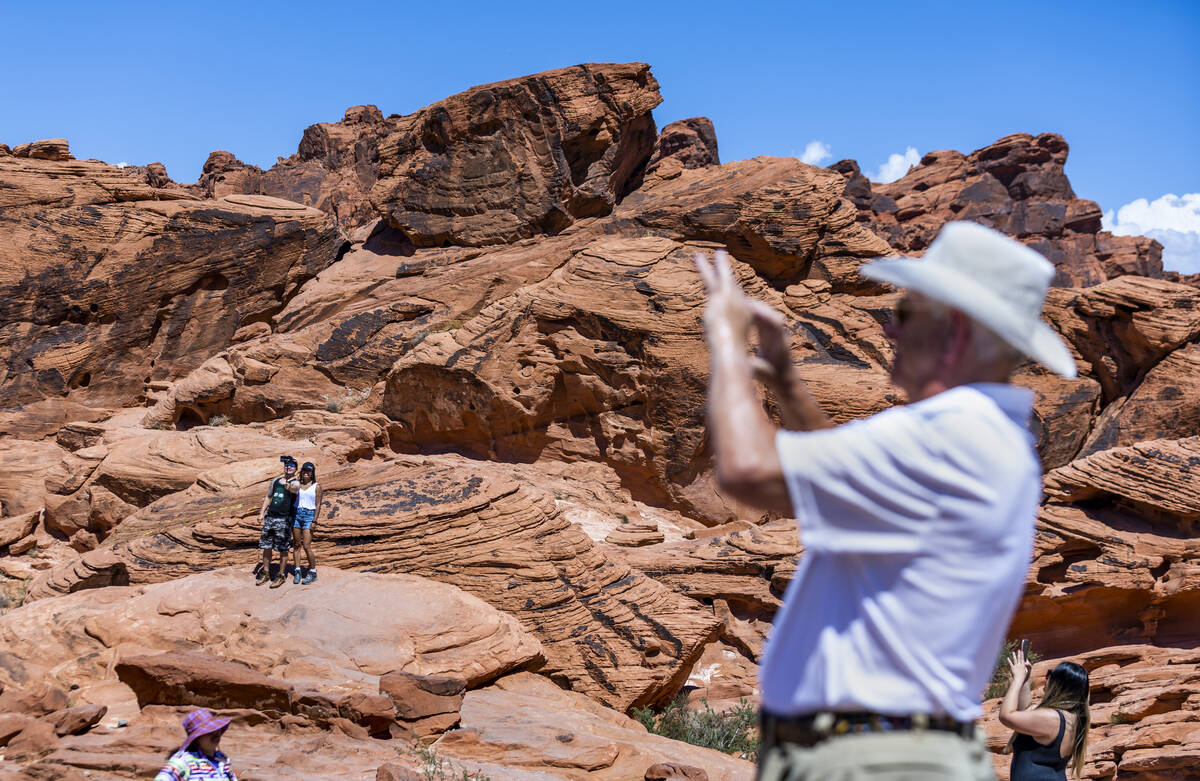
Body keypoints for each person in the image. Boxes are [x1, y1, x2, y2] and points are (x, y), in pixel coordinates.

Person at [694, 221, 1078, 780]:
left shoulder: (952, 434)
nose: (889, 333)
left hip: (873, 757)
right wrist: (786, 383)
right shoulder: (987, 440)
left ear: (957, 331)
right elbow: (833, 476)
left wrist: (726, 343)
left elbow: (748, 470)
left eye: (903, 315)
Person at [1000, 648, 1091, 779]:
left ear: (1059, 684)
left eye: (1050, 674)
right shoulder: (1072, 719)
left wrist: (1017, 679)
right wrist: (1025, 678)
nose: (1046, 677)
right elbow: (1026, 711)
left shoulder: (1052, 718)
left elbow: (1006, 716)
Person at [154, 708, 239, 780]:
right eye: (209, 731)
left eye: (216, 729)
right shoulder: (184, 761)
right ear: (196, 738)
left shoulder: (222, 760)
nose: (215, 734)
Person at [256, 455, 299, 588]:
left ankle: (281, 575)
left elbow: (295, 489)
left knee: (283, 548)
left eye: (292, 465)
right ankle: (266, 572)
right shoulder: (275, 481)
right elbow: (268, 497)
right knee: (266, 546)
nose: (289, 467)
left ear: (296, 469)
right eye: (287, 465)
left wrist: (288, 486)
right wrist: (262, 513)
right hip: (270, 518)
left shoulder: (295, 482)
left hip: (284, 519)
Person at [290, 461, 321, 585]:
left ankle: (312, 572)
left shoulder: (316, 486)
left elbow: (318, 504)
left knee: (307, 546)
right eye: (304, 471)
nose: (306, 473)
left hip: (309, 516)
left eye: (308, 471)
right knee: (297, 545)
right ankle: (297, 571)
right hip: (297, 514)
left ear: (312, 473)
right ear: (301, 472)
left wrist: (314, 520)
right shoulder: (297, 485)